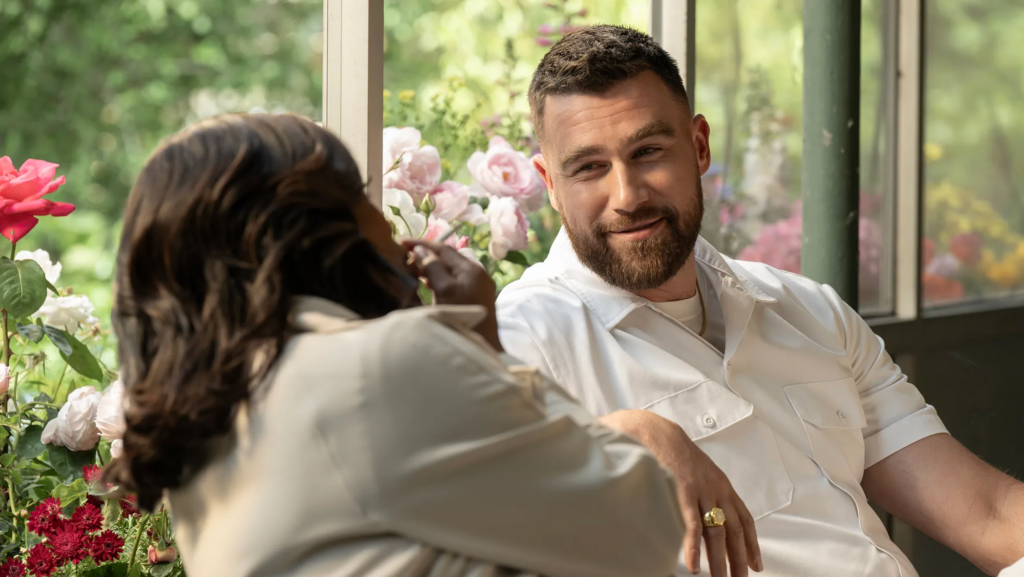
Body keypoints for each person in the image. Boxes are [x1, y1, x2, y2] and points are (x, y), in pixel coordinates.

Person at [497, 25, 1024, 577]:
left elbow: (986, 514)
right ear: (550, 184)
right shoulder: (522, 338)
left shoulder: (809, 311)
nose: (627, 195)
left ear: (699, 146)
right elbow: (458, 512)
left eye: (648, 151)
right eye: (589, 167)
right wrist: (627, 432)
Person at [104, 113, 685, 577]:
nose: (387, 223)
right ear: (318, 233)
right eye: (361, 196)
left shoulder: (213, 413)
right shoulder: (375, 366)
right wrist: (488, 352)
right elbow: (647, 528)